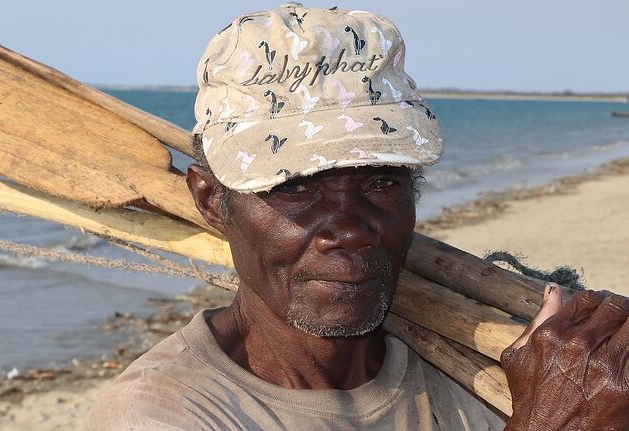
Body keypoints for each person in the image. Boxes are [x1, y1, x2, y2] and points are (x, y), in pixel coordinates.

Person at [87, 4, 629, 430]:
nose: (348, 227)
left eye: (380, 182)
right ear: (210, 200)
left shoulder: (491, 370)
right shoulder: (161, 415)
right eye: (294, 186)